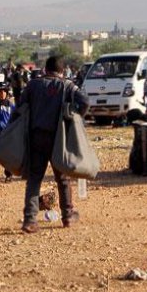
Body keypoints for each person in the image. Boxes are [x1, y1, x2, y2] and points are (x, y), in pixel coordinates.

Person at [17, 56, 89, 234]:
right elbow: (85, 102)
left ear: (45, 69)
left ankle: (30, 220)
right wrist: (76, 116)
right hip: (59, 138)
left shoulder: (33, 85)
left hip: (36, 137)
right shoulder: (67, 86)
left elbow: (20, 107)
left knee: (34, 178)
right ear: (62, 71)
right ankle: (67, 216)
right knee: (62, 178)